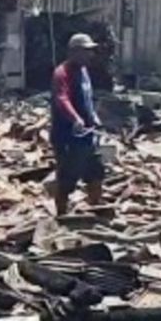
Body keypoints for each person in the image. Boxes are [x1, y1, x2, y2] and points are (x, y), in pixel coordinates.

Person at [50, 33, 105, 214]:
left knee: (96, 173)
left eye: (90, 51)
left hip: (87, 135)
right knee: (67, 178)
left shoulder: (83, 71)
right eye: (85, 51)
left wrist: (93, 116)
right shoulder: (62, 73)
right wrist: (76, 119)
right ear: (73, 52)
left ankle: (96, 212)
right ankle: (61, 215)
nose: (90, 55)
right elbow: (62, 98)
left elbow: (86, 99)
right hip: (68, 136)